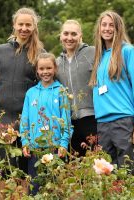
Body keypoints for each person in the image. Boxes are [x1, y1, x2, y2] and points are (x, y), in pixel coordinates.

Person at [0, 7, 44, 171]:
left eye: (28, 25)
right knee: (6, 169)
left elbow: (45, 85)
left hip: (28, 119)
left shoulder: (39, 53)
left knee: (25, 169)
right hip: (3, 119)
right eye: (21, 24)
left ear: (34, 27)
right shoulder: (1, 50)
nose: (24, 28)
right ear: (14, 25)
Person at [89, 10, 134, 173]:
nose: (107, 29)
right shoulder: (98, 57)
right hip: (102, 123)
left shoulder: (127, 51)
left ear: (118, 29)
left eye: (112, 25)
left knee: (129, 172)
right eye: (104, 25)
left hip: (123, 120)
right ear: (99, 28)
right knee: (108, 176)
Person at [20, 53, 72, 195]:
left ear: (55, 68)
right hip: (35, 149)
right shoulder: (31, 93)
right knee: (35, 188)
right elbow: (25, 119)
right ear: (37, 70)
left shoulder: (61, 91)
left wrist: (63, 143)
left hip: (55, 148)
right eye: (41, 69)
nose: (45, 72)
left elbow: (66, 121)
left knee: (55, 188)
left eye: (49, 68)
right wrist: (25, 141)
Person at [56, 20, 97, 157]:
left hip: (91, 118)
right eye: (66, 33)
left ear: (80, 36)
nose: (69, 37)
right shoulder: (57, 62)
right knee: (74, 167)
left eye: (74, 34)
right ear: (60, 36)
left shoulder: (93, 53)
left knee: (95, 164)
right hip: (69, 122)